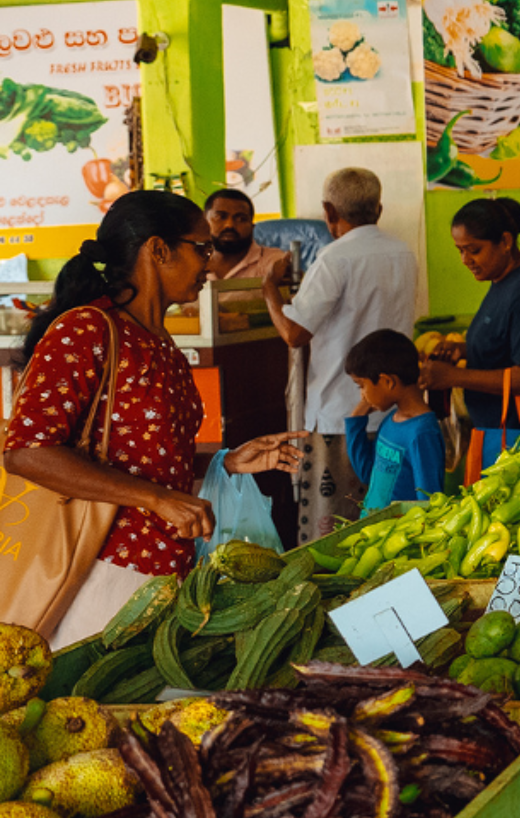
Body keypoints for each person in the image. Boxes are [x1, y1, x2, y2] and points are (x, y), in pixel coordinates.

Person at [4, 191, 306, 646]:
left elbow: (150, 459)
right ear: (158, 250)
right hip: (98, 571)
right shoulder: (87, 329)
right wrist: (158, 500)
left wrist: (224, 462)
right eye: (201, 248)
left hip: (162, 573)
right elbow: (27, 451)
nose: (209, 263)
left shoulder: (160, 342)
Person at [261, 167, 419, 544]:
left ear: (329, 212)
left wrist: (269, 288)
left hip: (340, 416)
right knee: (384, 526)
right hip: (393, 411)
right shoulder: (403, 253)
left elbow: (294, 334)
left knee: (332, 533)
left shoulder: (334, 258)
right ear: (378, 209)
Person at [422, 198, 520, 467]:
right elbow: (509, 343)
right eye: (460, 251)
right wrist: (464, 350)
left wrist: (455, 376)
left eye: (474, 250)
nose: (465, 260)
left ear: (505, 241)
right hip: (504, 436)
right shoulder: (503, 282)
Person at [343, 329, 445, 512]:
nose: (362, 396)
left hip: (399, 529)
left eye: (362, 386)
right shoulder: (391, 421)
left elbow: (430, 503)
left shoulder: (422, 433)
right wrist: (356, 420)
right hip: (375, 525)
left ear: (387, 381)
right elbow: (367, 474)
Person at [201, 188, 288, 282]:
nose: (229, 225)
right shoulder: (194, 263)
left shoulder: (274, 262)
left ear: (252, 226)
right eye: (220, 217)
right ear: (204, 222)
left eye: (241, 219)